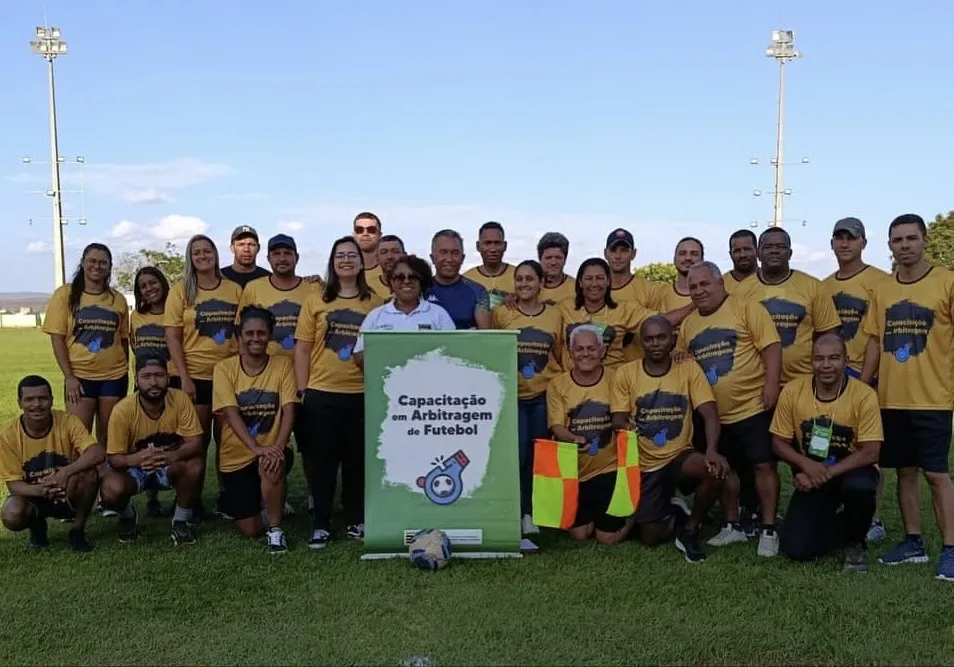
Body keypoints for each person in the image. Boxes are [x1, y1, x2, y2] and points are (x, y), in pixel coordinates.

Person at [861, 213, 954, 582]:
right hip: (891, 399)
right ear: (890, 246)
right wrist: (864, 384)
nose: (905, 246)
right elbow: (872, 340)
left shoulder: (946, 282)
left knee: (936, 474)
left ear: (924, 240)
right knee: (905, 472)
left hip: (933, 398)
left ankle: (950, 549)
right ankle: (913, 541)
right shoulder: (883, 289)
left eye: (911, 239)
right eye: (897, 241)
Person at [680, 261, 784, 556]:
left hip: (751, 405)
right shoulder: (689, 324)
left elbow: (771, 347)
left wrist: (772, 384)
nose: (699, 291)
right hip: (713, 413)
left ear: (720, 283)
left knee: (764, 465)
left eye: (704, 284)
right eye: (693, 287)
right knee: (725, 468)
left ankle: (768, 528)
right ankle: (732, 525)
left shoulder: (747, 308)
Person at [610, 316, 728, 563]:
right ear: (641, 342)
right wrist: (626, 426)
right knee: (651, 537)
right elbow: (618, 419)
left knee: (713, 470)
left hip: (678, 455)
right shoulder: (626, 373)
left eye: (661, 337)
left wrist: (713, 449)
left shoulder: (688, 368)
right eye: (649, 339)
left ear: (672, 339)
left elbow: (709, 412)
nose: (655, 344)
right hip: (644, 463)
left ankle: (690, 529)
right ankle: (674, 510)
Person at [294, 237, 384, 548]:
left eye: (352, 255)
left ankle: (356, 519)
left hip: (361, 393)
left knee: (357, 462)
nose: (346, 260)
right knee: (322, 462)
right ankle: (320, 523)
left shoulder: (376, 302)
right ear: (332, 262)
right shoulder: (316, 300)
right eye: (340, 255)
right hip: (322, 392)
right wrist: (303, 390)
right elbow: (303, 349)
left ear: (361, 262)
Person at [770, 333, 882, 572]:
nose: (826, 365)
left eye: (834, 358)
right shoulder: (792, 391)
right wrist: (805, 466)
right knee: (796, 549)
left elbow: (871, 452)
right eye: (819, 359)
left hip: (852, 470)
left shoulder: (864, 395)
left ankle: (856, 543)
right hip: (813, 473)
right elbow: (778, 442)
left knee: (860, 489)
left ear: (846, 360)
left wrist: (823, 473)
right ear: (811, 362)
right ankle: (843, 522)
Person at [821, 216, 890, 544]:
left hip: (866, 374)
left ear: (863, 242)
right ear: (832, 243)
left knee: (867, 449)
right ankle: (835, 506)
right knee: (832, 444)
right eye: (839, 238)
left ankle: (872, 517)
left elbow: (881, 333)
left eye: (851, 237)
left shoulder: (879, 281)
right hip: (831, 376)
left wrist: (866, 378)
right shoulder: (824, 286)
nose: (844, 243)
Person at [165, 234, 242, 519]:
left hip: (226, 376)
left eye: (207, 251)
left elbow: (239, 333)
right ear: (190, 257)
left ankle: (227, 496)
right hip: (193, 376)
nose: (202, 256)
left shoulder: (233, 289)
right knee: (196, 442)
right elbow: (172, 337)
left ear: (215, 254)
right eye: (196, 252)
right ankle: (190, 500)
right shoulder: (182, 290)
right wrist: (184, 378)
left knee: (228, 441)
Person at [492, 260, 564, 551]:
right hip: (514, 398)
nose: (523, 284)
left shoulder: (555, 314)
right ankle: (515, 512)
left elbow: (559, 354)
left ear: (540, 282)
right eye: (519, 279)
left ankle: (534, 513)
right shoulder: (503, 313)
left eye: (529, 279)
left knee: (539, 459)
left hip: (544, 396)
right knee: (517, 457)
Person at [214, 307, 297, 553]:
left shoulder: (283, 364)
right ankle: (269, 502)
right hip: (237, 457)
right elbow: (230, 413)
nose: (255, 338)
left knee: (271, 464)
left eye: (261, 333)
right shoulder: (224, 368)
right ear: (240, 336)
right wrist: (257, 449)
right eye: (249, 333)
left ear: (270, 335)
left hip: (271, 450)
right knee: (250, 529)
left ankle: (275, 529)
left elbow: (290, 409)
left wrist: (278, 447)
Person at [100, 354, 205, 546]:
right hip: (136, 468)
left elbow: (196, 442)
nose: (154, 382)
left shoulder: (180, 399)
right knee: (111, 488)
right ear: (137, 379)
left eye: (159, 375)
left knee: (195, 465)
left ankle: (180, 521)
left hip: (169, 465)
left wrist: (171, 456)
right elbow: (114, 458)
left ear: (167, 377)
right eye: (146, 377)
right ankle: (127, 516)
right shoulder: (122, 410)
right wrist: (138, 459)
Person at [0, 375, 103, 551]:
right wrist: (41, 490)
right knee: (12, 513)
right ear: (19, 403)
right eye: (29, 399)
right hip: (33, 494)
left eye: (43, 398)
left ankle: (77, 530)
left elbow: (97, 453)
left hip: (67, 488)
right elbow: (14, 485)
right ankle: (37, 526)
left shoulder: (68, 421)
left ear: (52, 399)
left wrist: (65, 473)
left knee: (90, 473)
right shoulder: (7, 435)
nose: (37, 404)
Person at [42, 242, 129, 446]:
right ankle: (81, 478)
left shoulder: (118, 299)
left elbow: (123, 339)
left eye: (102, 262)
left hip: (114, 378)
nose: (96, 266)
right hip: (80, 379)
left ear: (109, 266)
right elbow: (57, 338)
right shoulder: (65, 295)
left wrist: (125, 369)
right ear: (82, 263)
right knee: (79, 439)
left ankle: (107, 478)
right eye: (91, 261)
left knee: (110, 439)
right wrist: (69, 377)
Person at [547, 326, 627, 544]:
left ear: (602, 351)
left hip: (610, 468)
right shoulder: (558, 384)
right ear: (570, 353)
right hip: (575, 471)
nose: (585, 354)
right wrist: (573, 439)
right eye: (579, 349)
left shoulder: (617, 378)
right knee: (579, 535)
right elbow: (556, 426)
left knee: (606, 538)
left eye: (591, 348)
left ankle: (639, 510)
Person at [735, 227, 842, 385]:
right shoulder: (741, 291)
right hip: (756, 385)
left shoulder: (813, 286)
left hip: (803, 381)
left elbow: (828, 334)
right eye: (768, 247)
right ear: (758, 254)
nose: (774, 251)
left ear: (790, 253)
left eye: (781, 247)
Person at [560, 258, 692, 370]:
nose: (594, 284)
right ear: (581, 282)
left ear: (608, 281)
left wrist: (695, 304)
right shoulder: (564, 308)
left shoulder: (623, 309)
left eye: (600, 278)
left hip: (613, 383)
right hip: (571, 387)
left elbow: (661, 322)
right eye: (589, 279)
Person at [128, 265, 175, 518]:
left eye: (153, 282)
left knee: (175, 436)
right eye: (143, 286)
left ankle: (186, 495)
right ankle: (152, 495)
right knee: (147, 436)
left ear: (162, 283)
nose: (149, 288)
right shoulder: (136, 316)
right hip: (145, 383)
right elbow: (134, 347)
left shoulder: (176, 310)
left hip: (173, 379)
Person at [354, 254, 456, 365]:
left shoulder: (439, 314)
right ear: (391, 282)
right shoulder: (375, 316)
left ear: (422, 282)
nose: (406, 281)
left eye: (413, 277)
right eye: (399, 277)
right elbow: (358, 357)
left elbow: (454, 353)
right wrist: (387, 349)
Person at [239, 234, 320, 359]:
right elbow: (241, 330)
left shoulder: (314, 288)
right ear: (268, 258)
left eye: (287, 253)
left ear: (297, 258)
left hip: (305, 365)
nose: (282, 258)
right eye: (276, 254)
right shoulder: (253, 288)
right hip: (266, 368)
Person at [425, 229, 492, 329]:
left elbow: (485, 337)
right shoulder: (420, 289)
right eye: (443, 252)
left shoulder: (478, 292)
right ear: (432, 258)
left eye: (455, 253)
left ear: (462, 258)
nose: (449, 259)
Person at [463, 221, 516, 308]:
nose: (493, 249)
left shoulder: (520, 276)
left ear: (505, 246)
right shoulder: (467, 279)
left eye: (497, 243)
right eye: (487, 243)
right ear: (478, 246)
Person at [655, 237, 704, 314]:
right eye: (682, 253)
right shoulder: (659, 294)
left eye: (694, 254)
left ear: (702, 260)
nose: (688, 258)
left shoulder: (711, 294)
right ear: (674, 259)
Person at [537, 232, 575, 305]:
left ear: (565, 259)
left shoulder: (577, 289)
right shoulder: (527, 287)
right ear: (540, 259)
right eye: (548, 258)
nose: (553, 262)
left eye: (558, 258)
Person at [368, 234, 406, 299]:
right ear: (377, 258)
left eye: (395, 251)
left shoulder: (415, 284)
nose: (390, 257)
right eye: (384, 252)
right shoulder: (368, 287)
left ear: (405, 256)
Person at [353, 212, 384, 287]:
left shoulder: (391, 269)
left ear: (380, 235)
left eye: (371, 229)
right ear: (354, 235)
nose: (365, 233)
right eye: (359, 229)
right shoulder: (343, 271)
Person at [724, 229, 759, 295]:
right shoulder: (721, 285)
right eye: (737, 251)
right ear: (730, 254)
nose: (742, 255)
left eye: (747, 249)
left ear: (757, 251)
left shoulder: (770, 280)